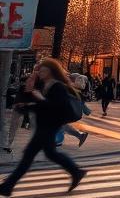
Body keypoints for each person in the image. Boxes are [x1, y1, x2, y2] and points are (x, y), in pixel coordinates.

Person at [0, 58, 87, 195]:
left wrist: (40, 99)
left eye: (43, 70)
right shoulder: (43, 85)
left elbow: (56, 107)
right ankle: (76, 172)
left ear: (51, 71)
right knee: (51, 153)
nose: (40, 72)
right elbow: (40, 104)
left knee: (28, 156)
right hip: (44, 125)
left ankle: (7, 186)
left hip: (49, 126)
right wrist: (26, 104)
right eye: (39, 70)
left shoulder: (58, 87)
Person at [62, 75, 91, 147]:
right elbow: (84, 107)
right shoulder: (79, 93)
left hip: (70, 112)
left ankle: (79, 135)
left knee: (60, 124)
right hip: (73, 113)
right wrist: (87, 111)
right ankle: (80, 135)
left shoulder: (72, 90)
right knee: (61, 124)